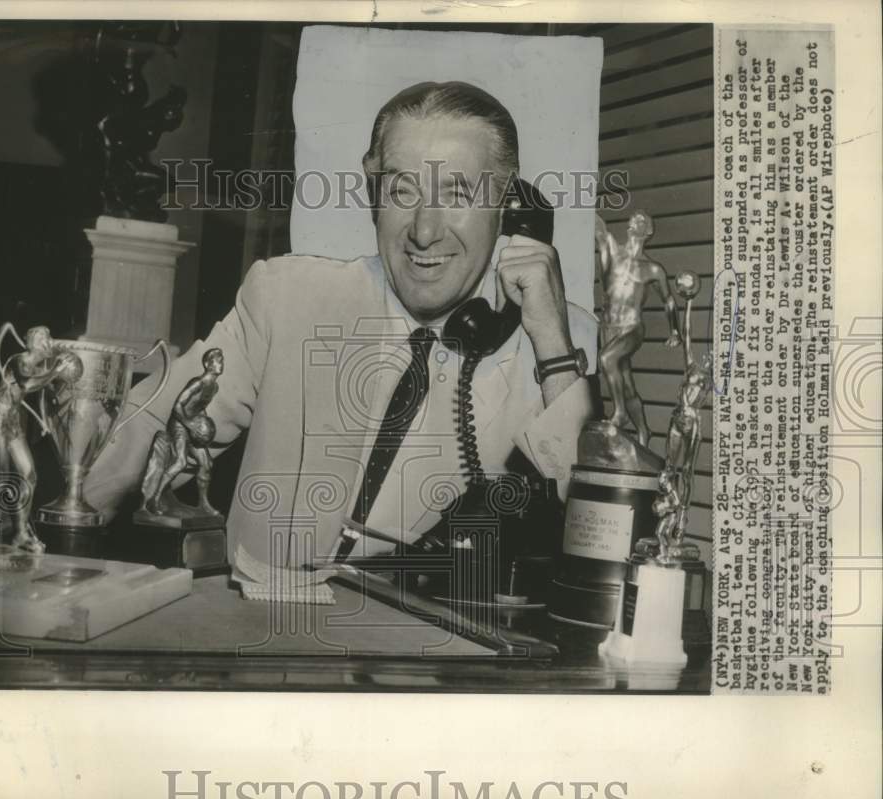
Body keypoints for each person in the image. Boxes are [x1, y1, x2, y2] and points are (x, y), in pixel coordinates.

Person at [85, 81, 595, 572]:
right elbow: (147, 427)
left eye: (458, 194)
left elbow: (594, 537)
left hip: (430, 654)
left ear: (508, 204)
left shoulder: (560, 342)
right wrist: (68, 537)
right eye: (401, 190)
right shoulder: (286, 298)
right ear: (373, 193)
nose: (423, 230)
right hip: (267, 637)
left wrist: (553, 352)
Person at [0, 326, 82, 553]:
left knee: (29, 475)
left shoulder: (40, 366)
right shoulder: (19, 360)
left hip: (13, 425)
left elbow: (42, 393)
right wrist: (56, 370)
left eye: (48, 338)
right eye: (43, 338)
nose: (47, 342)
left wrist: (47, 417)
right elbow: (28, 385)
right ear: (31, 342)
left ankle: (20, 533)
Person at [595, 211, 680, 447]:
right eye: (634, 217)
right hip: (608, 326)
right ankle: (644, 432)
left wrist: (675, 331)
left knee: (607, 359)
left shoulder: (653, 269)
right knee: (626, 383)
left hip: (632, 328)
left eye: (642, 220)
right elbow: (599, 229)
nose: (635, 220)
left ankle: (620, 413)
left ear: (649, 232)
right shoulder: (612, 251)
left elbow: (669, 300)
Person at [141, 347, 225, 516]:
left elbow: (200, 408)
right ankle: (154, 499)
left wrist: (204, 427)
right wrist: (191, 424)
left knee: (206, 463)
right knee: (180, 462)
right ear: (208, 364)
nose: (221, 364)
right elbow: (178, 406)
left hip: (192, 425)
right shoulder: (198, 383)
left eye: (222, 360)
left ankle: (203, 504)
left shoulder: (214, 387)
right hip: (179, 423)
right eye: (218, 360)